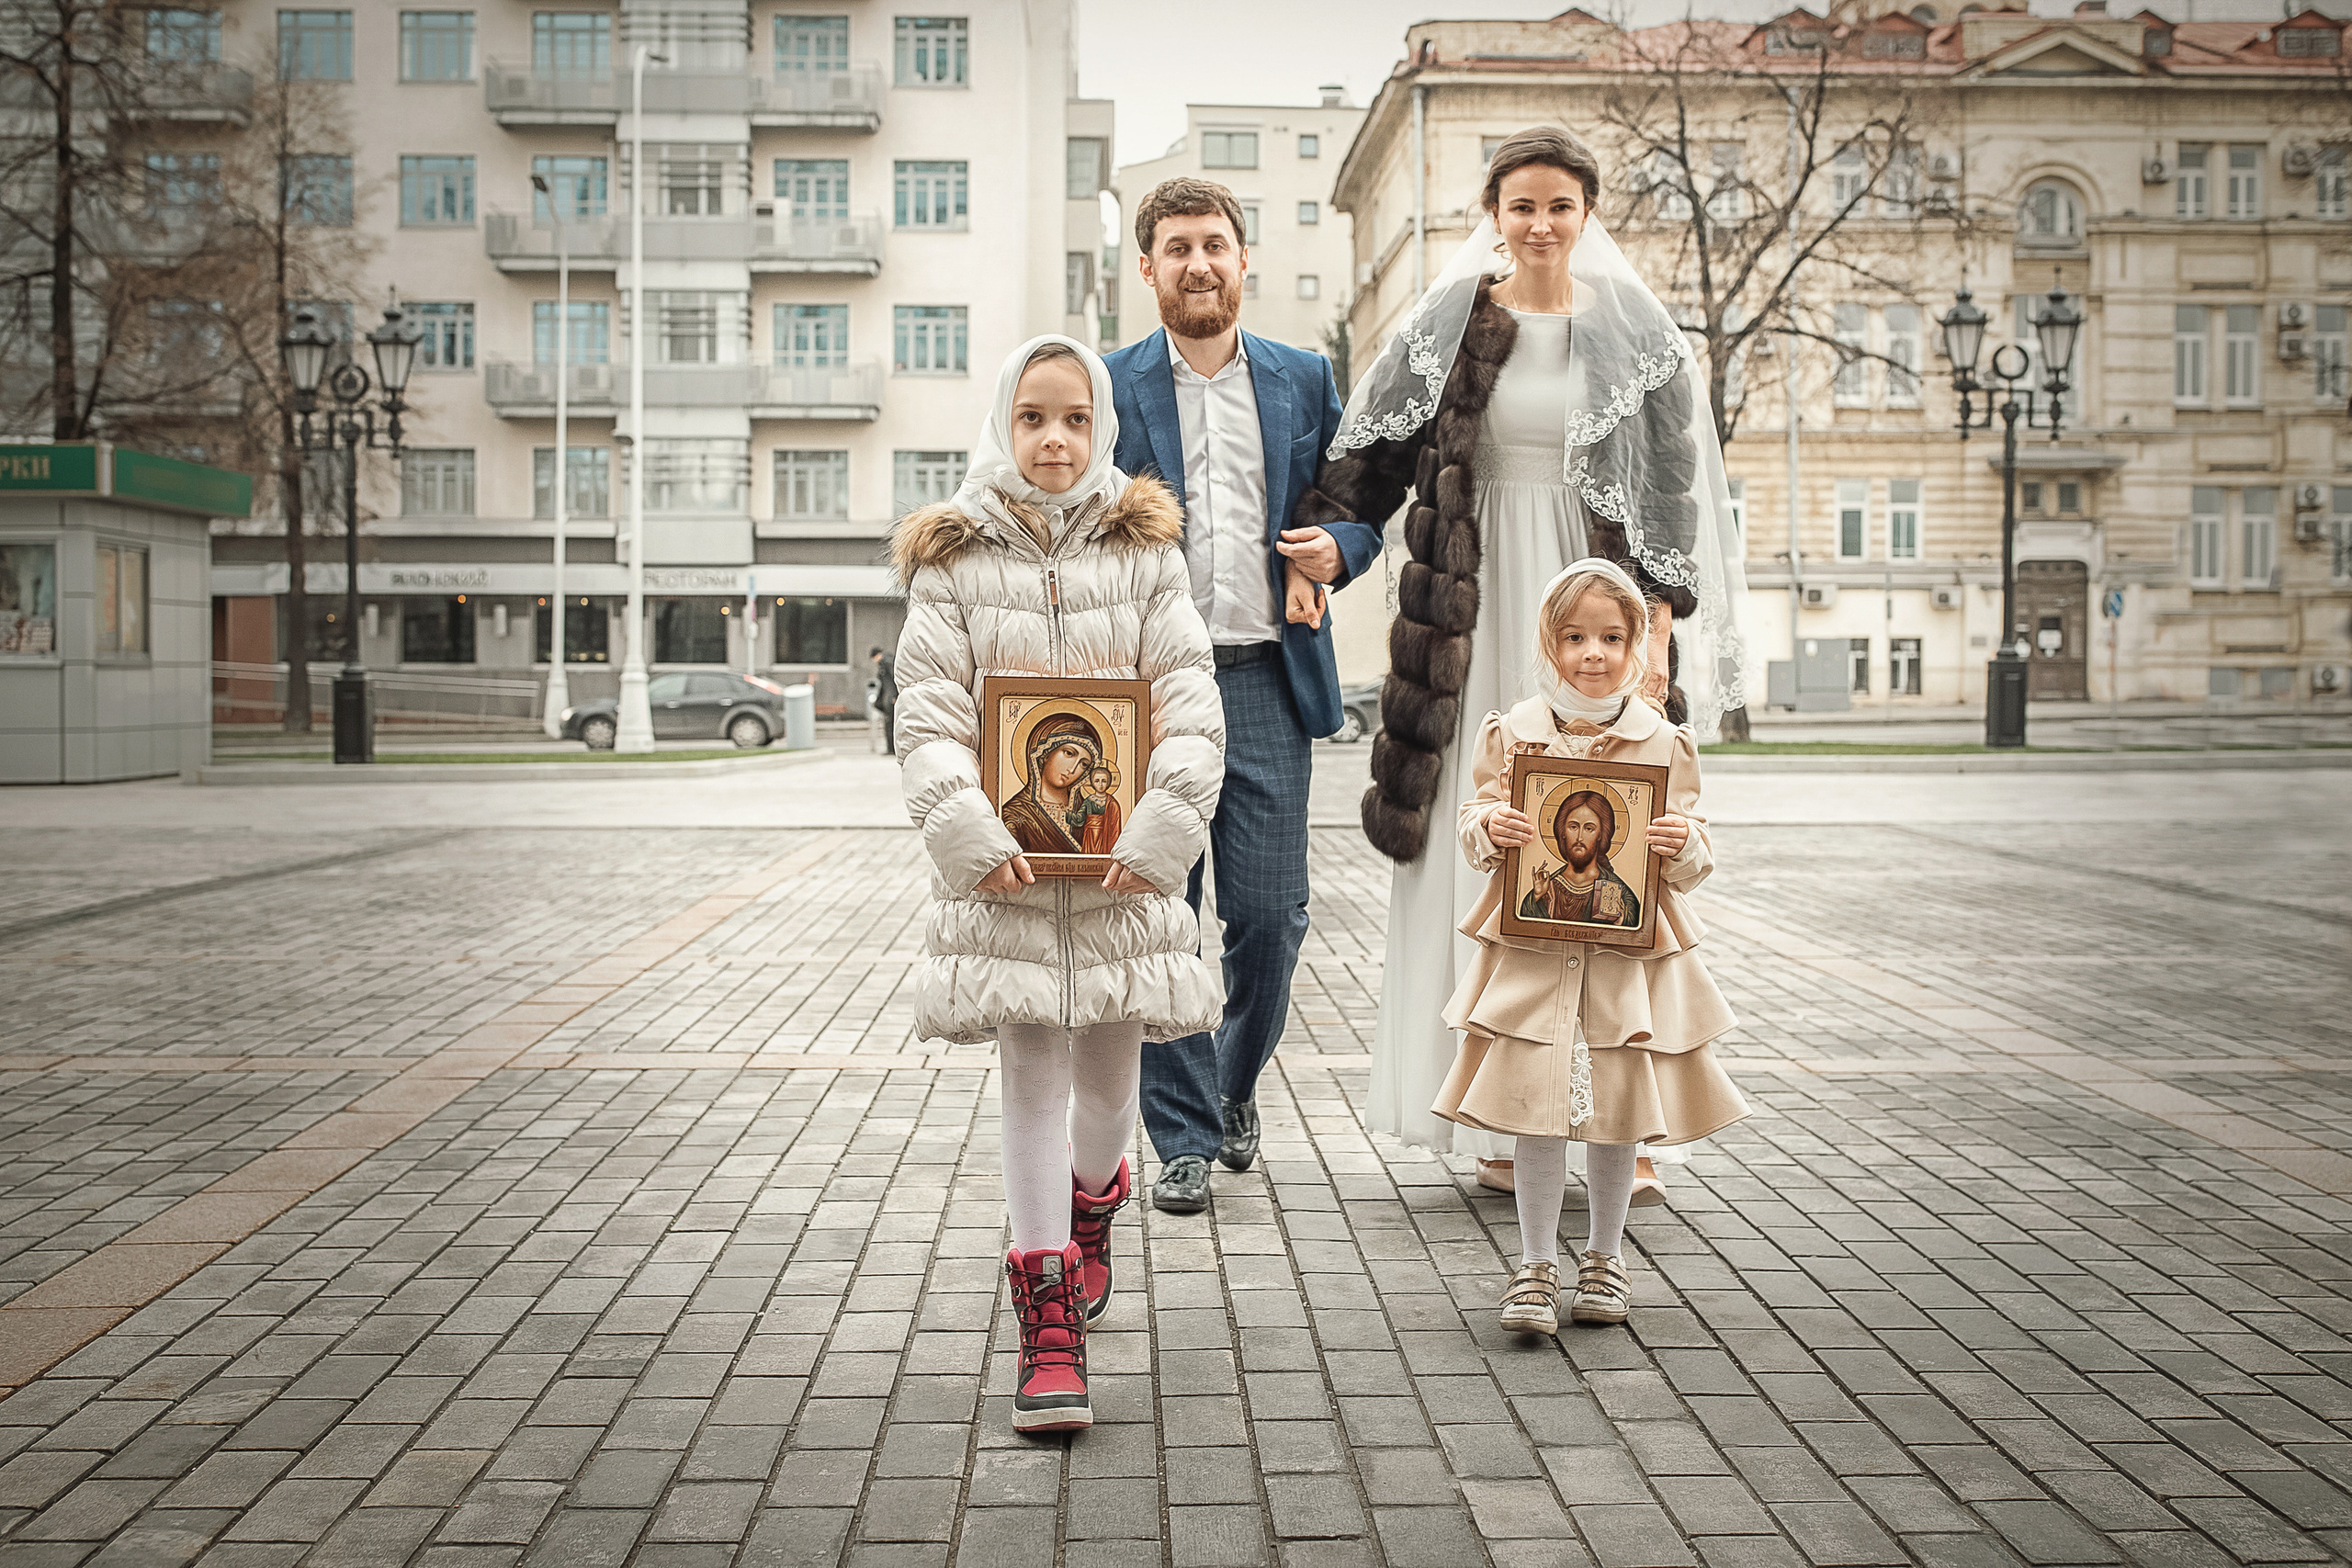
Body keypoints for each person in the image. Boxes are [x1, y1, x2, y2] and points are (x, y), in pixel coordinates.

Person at [1293, 125, 1750, 1202]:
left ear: (1587, 213)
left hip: (1597, 613)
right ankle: (1501, 1125)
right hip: (1473, 610)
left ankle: (1616, 1127)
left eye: (1559, 205)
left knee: (1608, 864)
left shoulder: (1640, 333)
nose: (1540, 224)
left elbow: (1671, 489)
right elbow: (1374, 460)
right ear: (1492, 215)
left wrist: (1659, 629)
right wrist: (1324, 538)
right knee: (1485, 844)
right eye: (1521, 206)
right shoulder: (1451, 323)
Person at [891, 333, 1225, 1433]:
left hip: (1123, 869)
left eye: (1074, 419)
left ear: (1102, 430)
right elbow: (930, 715)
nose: (1053, 438)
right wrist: (971, 830)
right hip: (1009, 874)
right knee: (1030, 1072)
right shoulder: (952, 557)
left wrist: (1165, 823)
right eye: (1032, 417)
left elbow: (1187, 700)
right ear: (1002, 421)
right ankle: (1044, 1318)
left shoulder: (1146, 553)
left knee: (1108, 1087)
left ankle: (1096, 1201)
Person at [1103, 177, 1384, 1215]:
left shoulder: (1306, 380)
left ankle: (1229, 1084)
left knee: (1269, 919)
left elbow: (1360, 510)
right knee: (1157, 922)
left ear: (1243, 258)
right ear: (1148, 270)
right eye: (1175, 248)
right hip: (1149, 692)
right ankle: (1178, 1136)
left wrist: (1337, 551)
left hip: (1267, 676)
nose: (1197, 264)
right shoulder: (1108, 381)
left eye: (1214, 244)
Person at [1441, 559, 1747, 1332]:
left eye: (1612, 637)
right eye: (1575, 636)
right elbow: (1476, 817)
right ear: (1551, 641)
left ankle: (1606, 1256)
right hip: (1536, 958)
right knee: (1536, 1106)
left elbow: (1696, 843)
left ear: (1638, 644)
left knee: (1613, 1106)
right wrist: (1493, 828)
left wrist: (1679, 842)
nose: (1593, 653)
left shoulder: (1664, 742)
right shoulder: (1514, 734)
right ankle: (1535, 1263)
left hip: (1624, 965)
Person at [1520, 790, 1641, 928]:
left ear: (1601, 835)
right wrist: (1536, 898)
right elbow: (1524, 926)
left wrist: (1621, 922)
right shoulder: (1547, 888)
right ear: (1563, 832)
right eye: (1573, 827)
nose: (1579, 837)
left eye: (1589, 828)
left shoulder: (1615, 891)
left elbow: (1636, 930)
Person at [1000, 714, 1104, 855]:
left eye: (1083, 764)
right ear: (1045, 753)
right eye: (1069, 753)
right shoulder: (1014, 815)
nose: (1073, 769)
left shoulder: (1089, 811)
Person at [870, 646, 898, 751]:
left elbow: (892, 680)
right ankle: (891, 748)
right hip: (890, 697)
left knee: (890, 723)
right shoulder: (889, 660)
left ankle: (891, 748)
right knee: (891, 722)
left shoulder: (886, 663)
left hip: (890, 698)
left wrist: (895, 695)